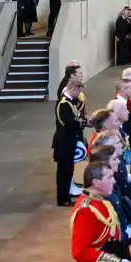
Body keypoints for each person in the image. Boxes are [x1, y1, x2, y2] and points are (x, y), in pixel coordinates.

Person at [53, 77, 86, 207]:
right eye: (78, 91)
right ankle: (63, 198)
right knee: (64, 172)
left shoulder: (69, 102)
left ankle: (65, 196)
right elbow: (68, 122)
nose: (79, 95)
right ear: (73, 89)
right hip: (64, 142)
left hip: (68, 141)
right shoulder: (64, 104)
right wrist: (80, 123)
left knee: (67, 170)